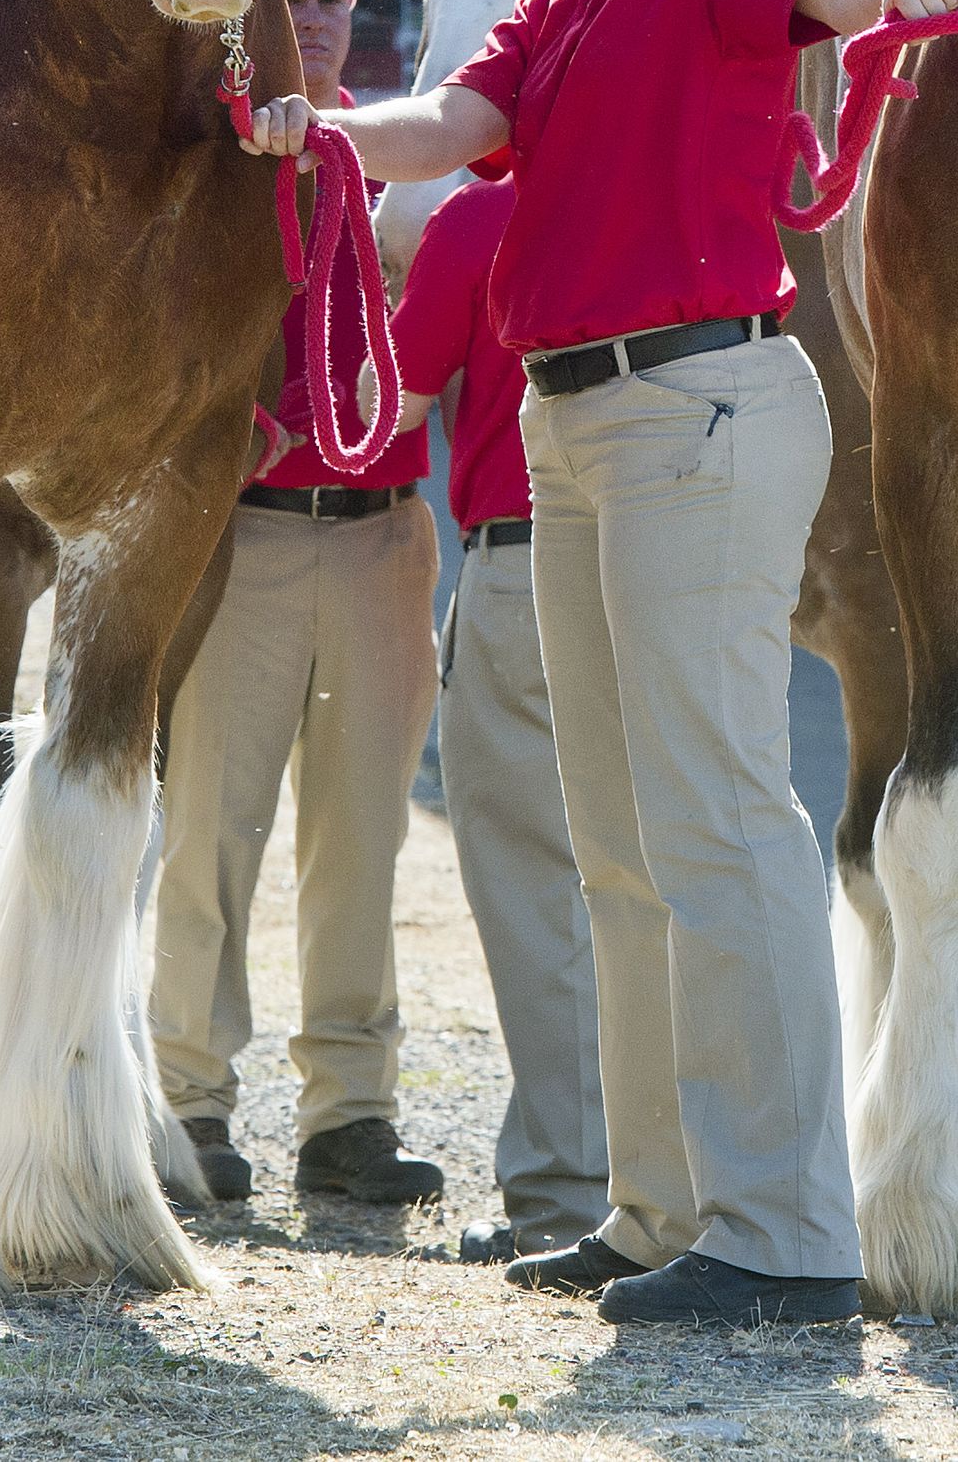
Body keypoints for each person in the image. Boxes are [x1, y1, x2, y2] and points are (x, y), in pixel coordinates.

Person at [239, 0, 958, 1328]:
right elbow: (450, 123)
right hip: (577, 428)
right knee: (625, 840)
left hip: (694, 401)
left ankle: (783, 1234)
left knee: (715, 819)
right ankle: (660, 1210)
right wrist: (319, 133)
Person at [151, 0, 446, 1209]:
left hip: (383, 534)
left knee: (364, 837)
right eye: (292, 0)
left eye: (333, 1)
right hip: (250, 537)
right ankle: (189, 1103)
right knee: (210, 828)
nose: (315, 21)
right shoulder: (215, 174)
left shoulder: (398, 162)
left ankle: (349, 1116)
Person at [388, 173, 607, 1268]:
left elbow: (394, 401)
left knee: (534, 889)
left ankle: (571, 1196)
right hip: (666, 555)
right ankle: (690, 1187)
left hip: (524, 561)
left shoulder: (476, 219)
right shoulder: (651, 188)